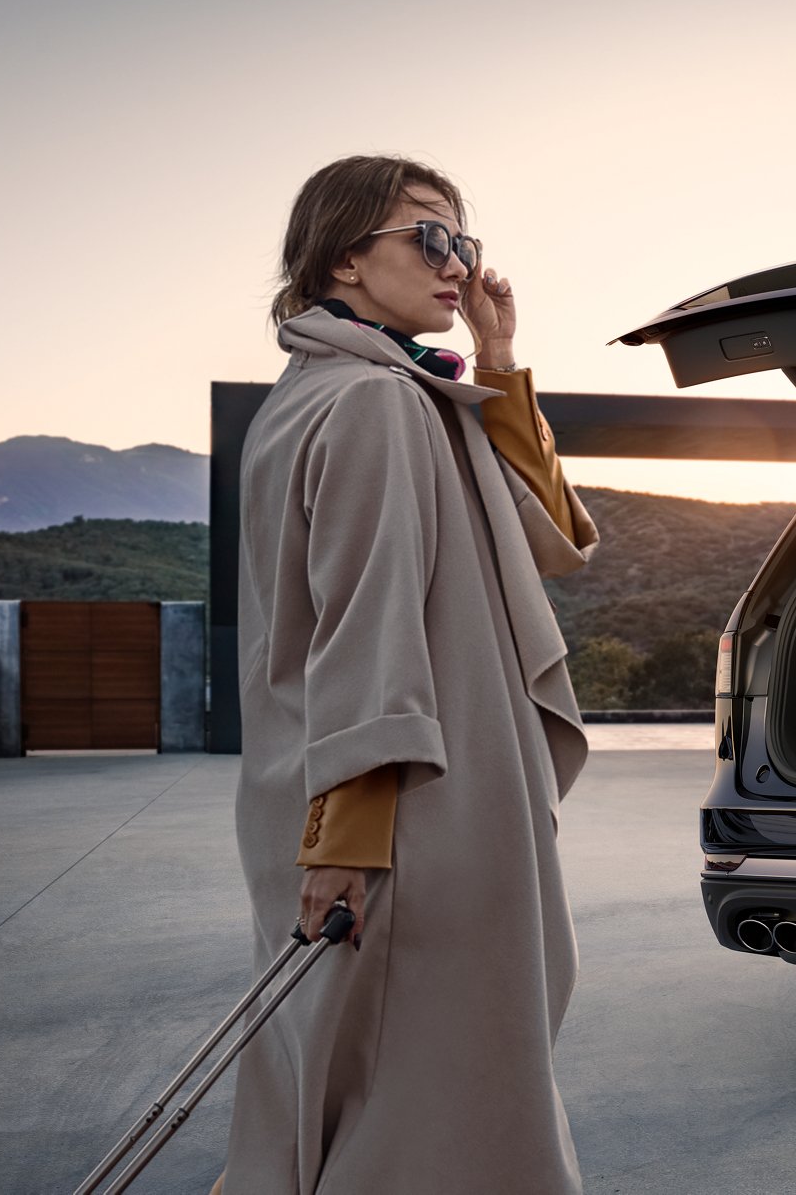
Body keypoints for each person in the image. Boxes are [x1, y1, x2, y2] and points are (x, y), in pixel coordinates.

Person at [212, 155, 597, 1193]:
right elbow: (366, 626)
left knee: (350, 1074)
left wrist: (498, 359)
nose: (456, 263)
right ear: (344, 258)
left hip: (353, 796)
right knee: (438, 1084)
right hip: (410, 809)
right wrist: (347, 838)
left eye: (463, 240)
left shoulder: (339, 392)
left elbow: (547, 539)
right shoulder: (375, 403)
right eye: (429, 236)